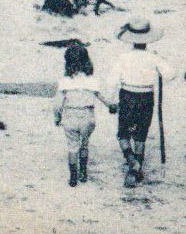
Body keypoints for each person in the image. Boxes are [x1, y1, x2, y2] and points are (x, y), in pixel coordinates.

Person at [106, 15, 168, 187]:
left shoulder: (124, 57)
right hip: (146, 96)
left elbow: (112, 80)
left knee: (123, 133)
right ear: (148, 39)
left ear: (131, 39)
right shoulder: (153, 56)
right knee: (140, 135)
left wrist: (111, 100)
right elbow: (170, 75)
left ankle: (131, 159)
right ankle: (136, 169)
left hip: (127, 96)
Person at [54, 44, 108, 187]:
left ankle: (73, 177)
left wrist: (57, 117)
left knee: (72, 146)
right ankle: (83, 173)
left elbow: (58, 104)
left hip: (70, 115)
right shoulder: (92, 80)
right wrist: (111, 106)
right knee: (84, 145)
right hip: (87, 116)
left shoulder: (64, 81)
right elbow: (101, 96)